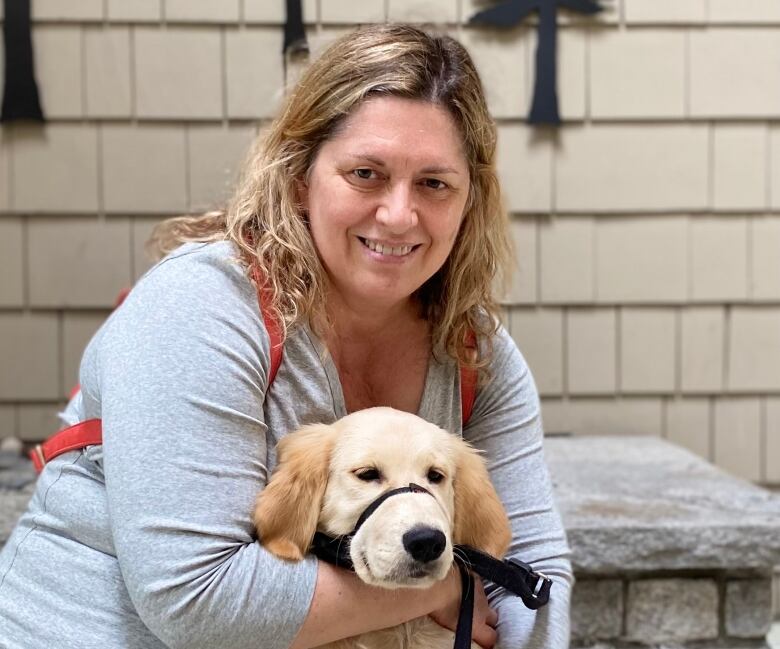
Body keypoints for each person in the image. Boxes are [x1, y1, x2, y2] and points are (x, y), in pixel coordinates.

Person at [0, 23, 572, 649]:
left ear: (469, 201)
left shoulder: (474, 352)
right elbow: (196, 600)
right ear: (300, 179)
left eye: (434, 183)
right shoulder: (200, 309)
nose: (399, 214)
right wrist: (439, 587)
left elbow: (531, 568)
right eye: (366, 173)